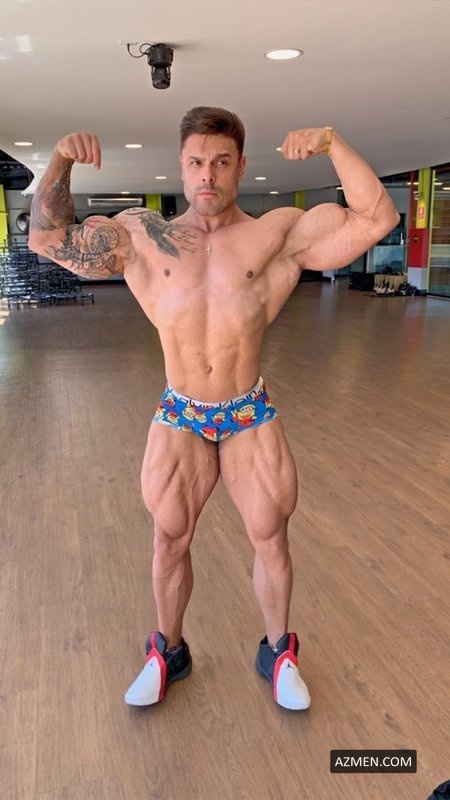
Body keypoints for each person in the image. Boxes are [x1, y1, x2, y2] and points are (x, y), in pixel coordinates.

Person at [28, 107, 399, 712]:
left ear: (240, 166)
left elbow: (376, 217)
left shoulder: (278, 233)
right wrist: (62, 159)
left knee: (270, 536)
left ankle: (278, 652)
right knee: (170, 537)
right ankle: (167, 652)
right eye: (197, 162)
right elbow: (46, 239)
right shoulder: (140, 236)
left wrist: (333, 142)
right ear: (182, 165)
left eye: (222, 162)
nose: (208, 174)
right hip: (181, 412)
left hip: (247, 410)